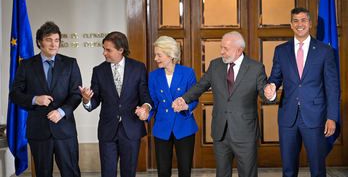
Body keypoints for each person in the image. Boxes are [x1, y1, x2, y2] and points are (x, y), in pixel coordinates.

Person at [172, 31, 272, 177]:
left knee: (248, 174)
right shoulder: (215, 65)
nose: (221, 51)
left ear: (239, 50)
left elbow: (264, 93)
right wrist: (184, 99)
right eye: (221, 47)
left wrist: (270, 93)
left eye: (226, 49)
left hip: (245, 133)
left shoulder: (256, 68)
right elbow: (200, 86)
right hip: (221, 132)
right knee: (222, 173)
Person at [264, 7, 339, 177]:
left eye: (303, 20)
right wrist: (271, 87)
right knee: (289, 170)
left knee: (318, 169)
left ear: (310, 23)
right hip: (287, 117)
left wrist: (332, 117)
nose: (300, 24)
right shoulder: (281, 50)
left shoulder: (324, 50)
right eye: (296, 21)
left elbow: (332, 87)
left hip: (316, 116)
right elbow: (275, 78)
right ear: (291, 25)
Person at [9, 21, 82, 177]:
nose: (53, 44)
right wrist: (35, 99)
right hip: (38, 132)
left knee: (71, 173)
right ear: (39, 42)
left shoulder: (70, 64)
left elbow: (76, 95)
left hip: (65, 130)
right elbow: (14, 94)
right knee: (42, 173)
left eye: (56, 40)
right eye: (49, 39)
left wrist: (61, 112)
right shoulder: (26, 65)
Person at [79, 31, 153, 177]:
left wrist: (146, 107)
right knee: (107, 173)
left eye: (108, 50)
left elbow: (144, 94)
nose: (104, 53)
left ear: (121, 50)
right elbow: (95, 99)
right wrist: (87, 100)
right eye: (104, 49)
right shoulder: (98, 71)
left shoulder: (138, 68)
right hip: (107, 131)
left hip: (131, 129)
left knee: (129, 173)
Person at [140, 36, 198, 177]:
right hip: (162, 128)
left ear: (171, 55)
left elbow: (194, 99)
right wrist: (146, 111)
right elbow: (153, 102)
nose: (155, 58)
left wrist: (185, 107)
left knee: (185, 171)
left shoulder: (187, 72)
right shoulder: (154, 76)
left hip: (184, 127)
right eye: (156, 54)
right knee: (163, 171)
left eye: (159, 55)